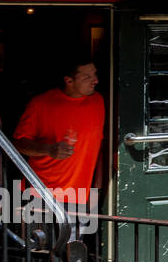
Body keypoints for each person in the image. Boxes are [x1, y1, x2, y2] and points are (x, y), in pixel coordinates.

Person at [12, 58, 104, 212]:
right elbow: (18, 143)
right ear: (69, 81)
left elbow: (99, 145)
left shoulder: (98, 102)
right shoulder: (41, 104)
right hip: (40, 193)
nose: (95, 80)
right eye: (87, 77)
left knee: (74, 237)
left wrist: (97, 188)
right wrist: (48, 149)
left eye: (94, 74)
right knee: (40, 236)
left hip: (80, 196)